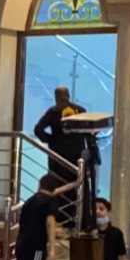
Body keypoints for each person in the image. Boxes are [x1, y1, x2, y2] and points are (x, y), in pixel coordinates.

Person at [33, 86, 99, 229]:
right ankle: (83, 222)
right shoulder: (81, 110)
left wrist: (51, 140)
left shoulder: (53, 111)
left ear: (56, 97)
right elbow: (89, 133)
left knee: (59, 188)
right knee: (80, 187)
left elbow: (38, 129)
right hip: (77, 156)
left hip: (58, 157)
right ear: (68, 95)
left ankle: (62, 221)